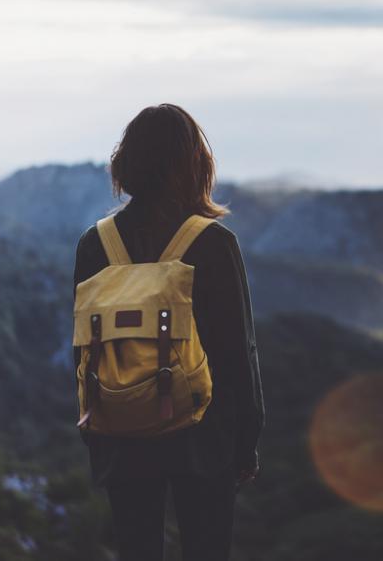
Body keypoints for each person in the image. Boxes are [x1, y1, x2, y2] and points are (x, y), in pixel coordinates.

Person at [72, 103, 265, 561]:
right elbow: (238, 353)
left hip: (120, 431)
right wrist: (246, 443)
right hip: (203, 434)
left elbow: (81, 349)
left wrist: (95, 430)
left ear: (126, 163)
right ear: (196, 164)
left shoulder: (94, 244)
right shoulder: (213, 242)